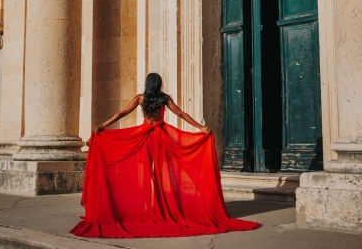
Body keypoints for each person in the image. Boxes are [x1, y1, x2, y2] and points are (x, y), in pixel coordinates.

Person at [70, 73, 260, 239]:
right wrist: (200, 127)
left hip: (144, 139)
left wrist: (103, 126)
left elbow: (121, 113)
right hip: (161, 140)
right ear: (158, 84)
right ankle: (161, 208)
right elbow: (182, 114)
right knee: (163, 175)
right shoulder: (164, 99)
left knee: (146, 174)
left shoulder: (140, 98)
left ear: (147, 84)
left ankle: (149, 208)